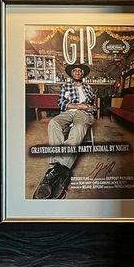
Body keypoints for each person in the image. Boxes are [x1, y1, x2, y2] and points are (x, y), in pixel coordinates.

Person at [33, 63, 96, 199]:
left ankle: (55, 169)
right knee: (53, 123)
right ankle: (61, 169)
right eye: (75, 71)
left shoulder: (88, 87)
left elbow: (93, 106)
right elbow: (61, 103)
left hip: (83, 114)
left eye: (80, 71)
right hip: (68, 112)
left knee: (78, 128)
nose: (77, 73)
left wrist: (89, 108)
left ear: (82, 74)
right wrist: (79, 105)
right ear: (71, 74)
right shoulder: (66, 86)